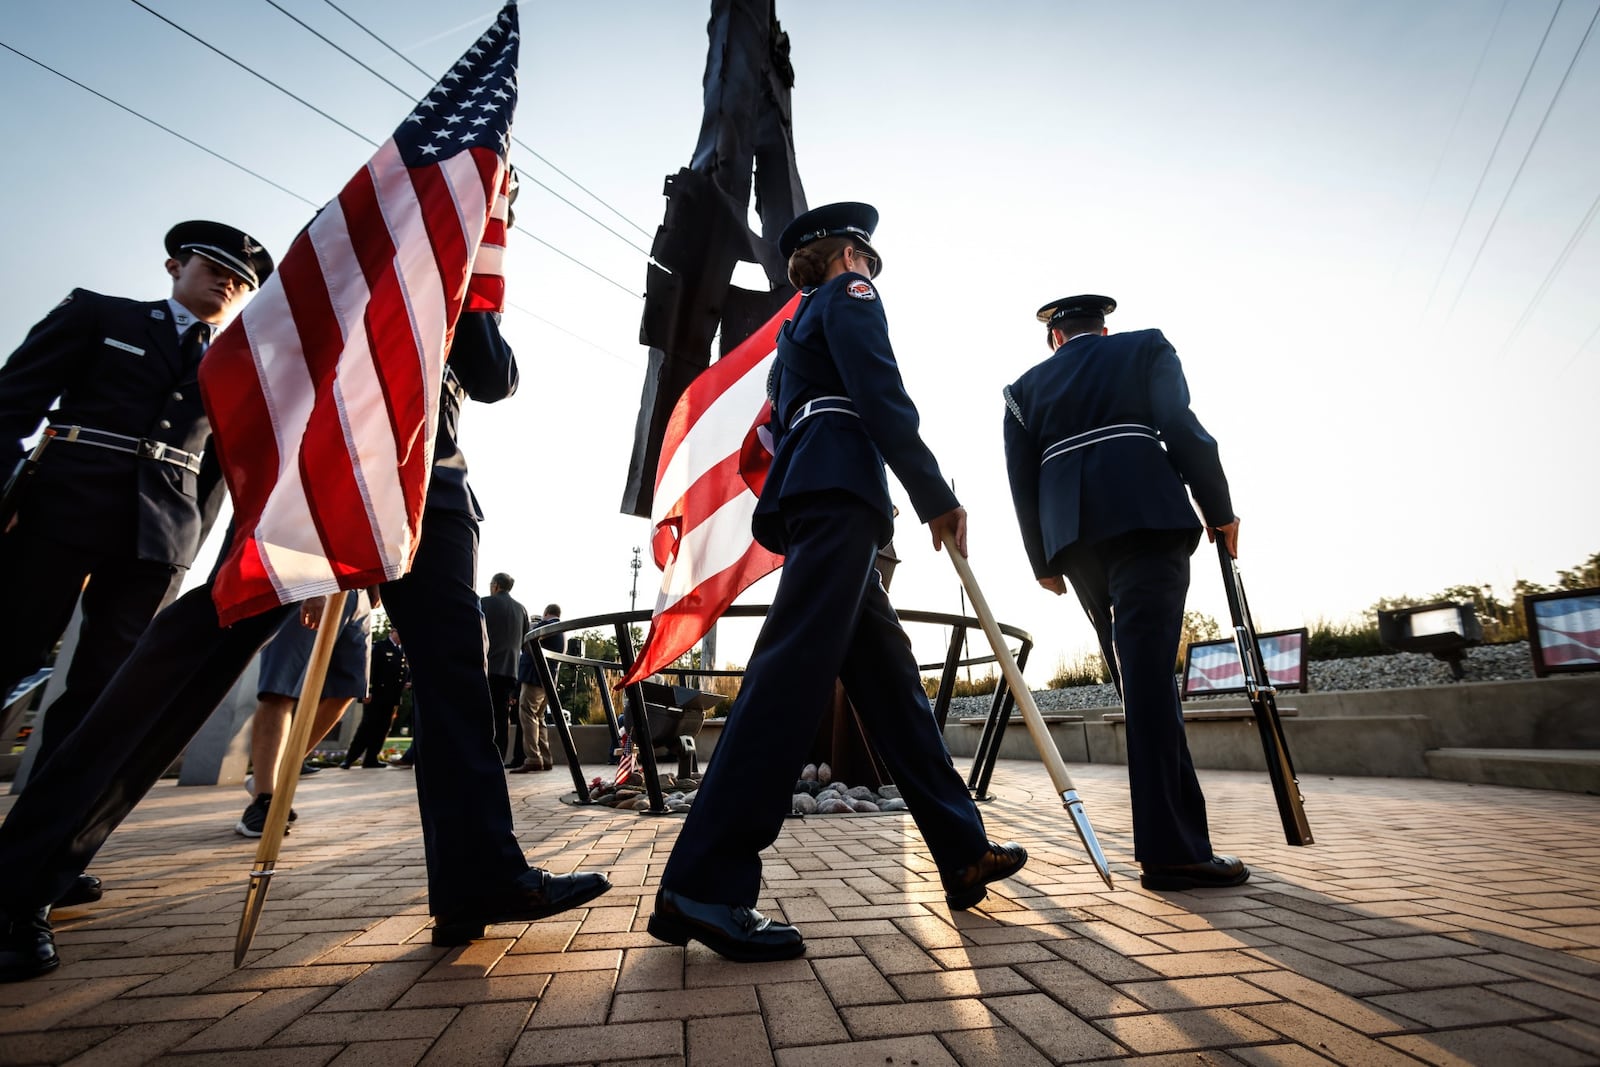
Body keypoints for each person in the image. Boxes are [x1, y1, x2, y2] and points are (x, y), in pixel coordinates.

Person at [0, 312, 611, 982]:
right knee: (201, 649)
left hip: (428, 477)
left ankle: (481, 876)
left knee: (456, 674)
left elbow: (495, 376)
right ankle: (20, 877)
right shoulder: (386, 211)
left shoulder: (470, 255)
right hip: (326, 457)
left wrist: (475, 291)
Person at [647, 202, 1026, 963]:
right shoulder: (850, 297)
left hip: (816, 492)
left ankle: (960, 848)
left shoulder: (796, 330)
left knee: (894, 694)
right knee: (787, 680)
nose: (870, 265)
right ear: (848, 253)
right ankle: (706, 882)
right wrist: (934, 495)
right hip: (841, 489)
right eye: (864, 254)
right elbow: (880, 393)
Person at [0, 220, 273, 910]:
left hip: (158, 538)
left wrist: (203, 554)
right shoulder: (99, 313)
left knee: (101, 691)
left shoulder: (233, 363)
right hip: (63, 505)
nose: (229, 282)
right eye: (214, 267)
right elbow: (13, 402)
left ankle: (33, 849)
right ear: (174, 264)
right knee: (10, 651)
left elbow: (219, 474)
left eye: (241, 280)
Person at [1001, 294, 1248, 891]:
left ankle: (1173, 843)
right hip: (1146, 518)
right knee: (1149, 680)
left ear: (1055, 337)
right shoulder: (1145, 347)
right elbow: (1183, 428)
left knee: (1136, 679)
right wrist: (1220, 509)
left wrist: (1042, 560)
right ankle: (1173, 852)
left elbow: (1021, 481)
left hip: (1077, 538)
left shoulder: (1022, 389)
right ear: (1103, 329)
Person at [236, 592, 373, 836]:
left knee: (347, 689)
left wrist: (374, 591)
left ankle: (277, 771)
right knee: (281, 687)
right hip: (316, 579)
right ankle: (264, 798)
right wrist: (315, 589)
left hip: (358, 590)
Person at [481, 572, 529, 768]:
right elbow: (526, 642)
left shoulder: (484, 603)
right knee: (502, 716)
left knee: (483, 713)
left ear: (496, 585)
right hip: (510, 670)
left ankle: (482, 755)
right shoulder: (521, 609)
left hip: (487, 667)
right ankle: (499, 757)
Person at [344, 627, 408, 769]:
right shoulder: (379, 647)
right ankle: (349, 759)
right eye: (398, 631)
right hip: (376, 696)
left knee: (382, 729)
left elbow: (401, 673)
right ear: (392, 632)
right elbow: (370, 670)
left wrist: (406, 683)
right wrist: (368, 690)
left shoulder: (402, 651)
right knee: (367, 727)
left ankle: (371, 759)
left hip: (392, 698)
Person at [510, 604, 563, 773]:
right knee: (539, 718)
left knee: (527, 713)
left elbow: (529, 637)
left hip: (534, 679)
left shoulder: (548, 626)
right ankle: (545, 758)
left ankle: (533, 757)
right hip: (547, 681)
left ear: (546, 613)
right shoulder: (561, 632)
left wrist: (533, 626)